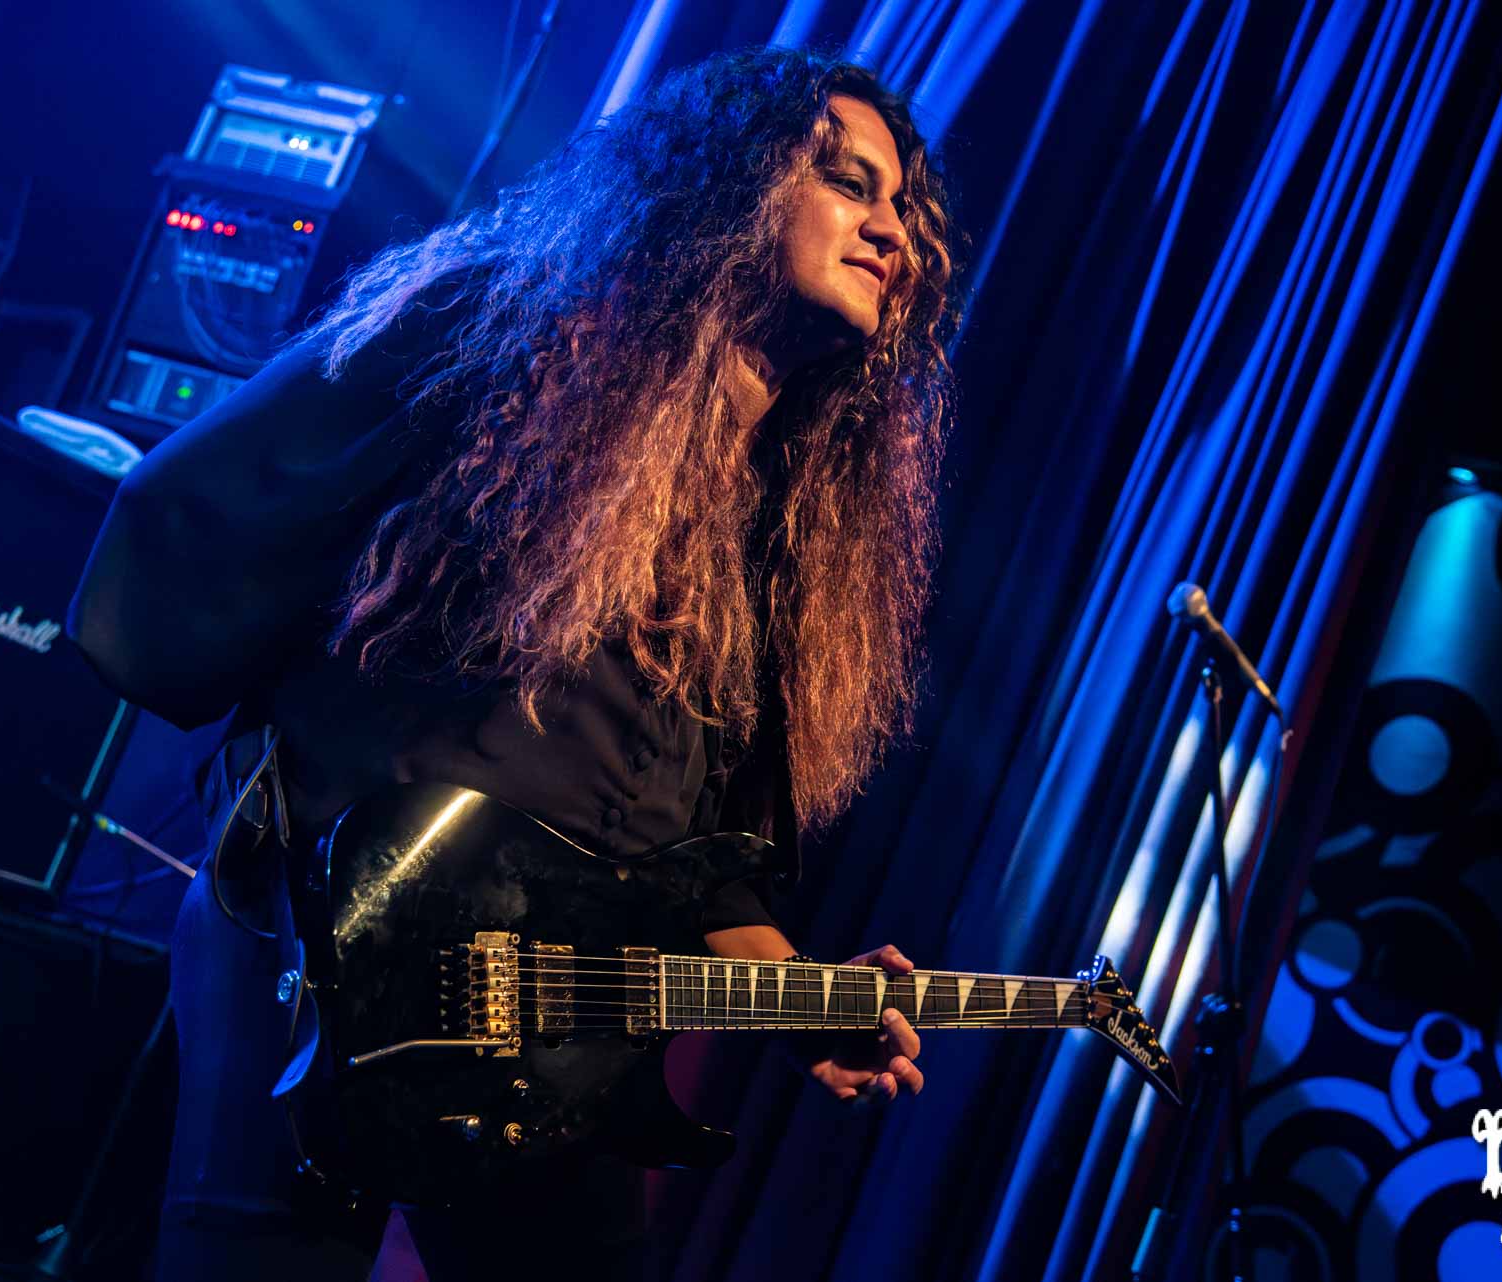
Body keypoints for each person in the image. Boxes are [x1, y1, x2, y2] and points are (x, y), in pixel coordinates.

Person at [66, 46, 959, 1281]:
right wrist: (288, 818)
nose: (890, 232)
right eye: (847, 182)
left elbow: (695, 869)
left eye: (904, 209)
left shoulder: (786, 541)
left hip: (549, 1034)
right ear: (728, 185)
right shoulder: (496, 333)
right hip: (320, 949)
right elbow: (185, 521)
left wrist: (805, 997)